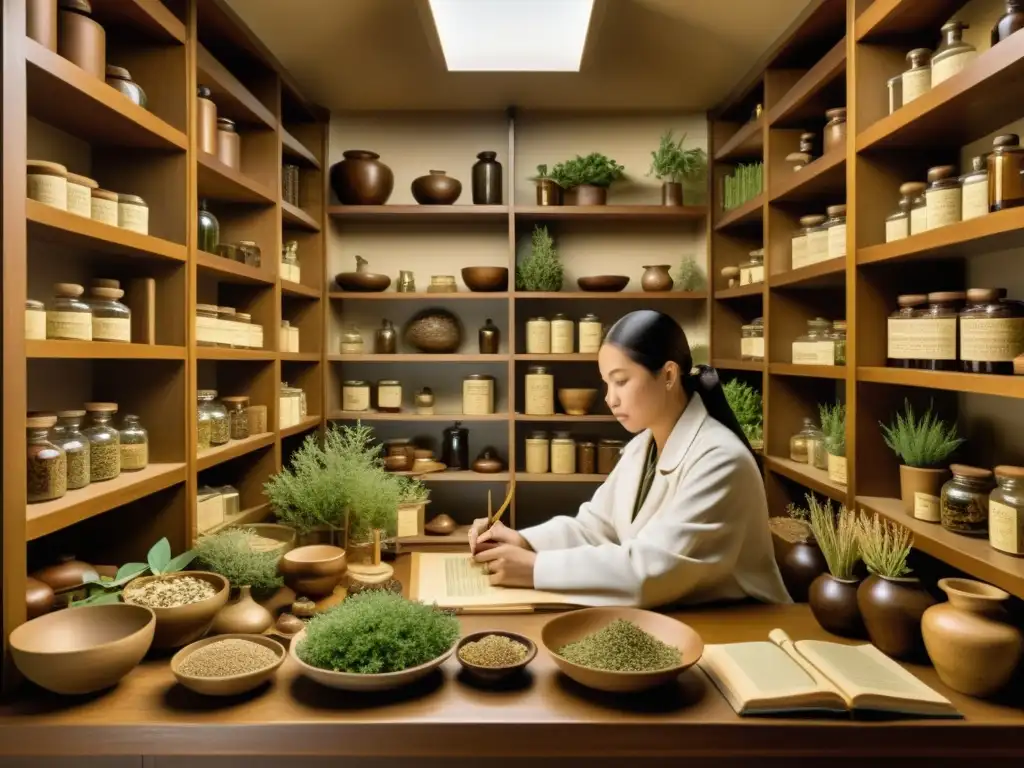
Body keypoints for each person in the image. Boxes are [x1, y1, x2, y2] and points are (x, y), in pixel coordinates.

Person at [469, 309, 791, 608]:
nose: (610, 398)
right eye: (606, 383)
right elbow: (595, 528)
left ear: (668, 375)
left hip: (745, 629)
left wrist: (535, 568)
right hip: (678, 617)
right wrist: (523, 540)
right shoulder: (642, 447)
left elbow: (651, 571)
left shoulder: (720, 461)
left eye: (621, 381)